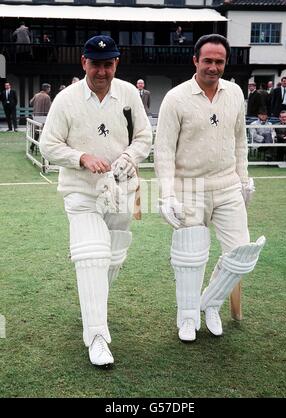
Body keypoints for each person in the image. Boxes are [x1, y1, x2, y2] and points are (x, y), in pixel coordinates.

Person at [39, 35, 152, 367]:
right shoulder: (67, 99)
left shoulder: (129, 94)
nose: (102, 71)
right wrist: (81, 157)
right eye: (95, 64)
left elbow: (143, 136)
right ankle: (97, 336)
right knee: (92, 255)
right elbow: (49, 144)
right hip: (81, 191)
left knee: (113, 256)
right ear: (83, 63)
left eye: (108, 64)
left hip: (121, 189)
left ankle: (92, 308)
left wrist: (129, 157)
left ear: (116, 63)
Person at [154, 34, 265, 343]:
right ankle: (188, 317)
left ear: (225, 63)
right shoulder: (176, 98)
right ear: (195, 61)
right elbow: (163, 151)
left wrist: (244, 179)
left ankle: (211, 304)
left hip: (227, 185)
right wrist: (167, 195)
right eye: (208, 61)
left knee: (241, 254)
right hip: (189, 186)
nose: (214, 67)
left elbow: (240, 141)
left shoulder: (235, 93)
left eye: (220, 62)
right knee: (190, 257)